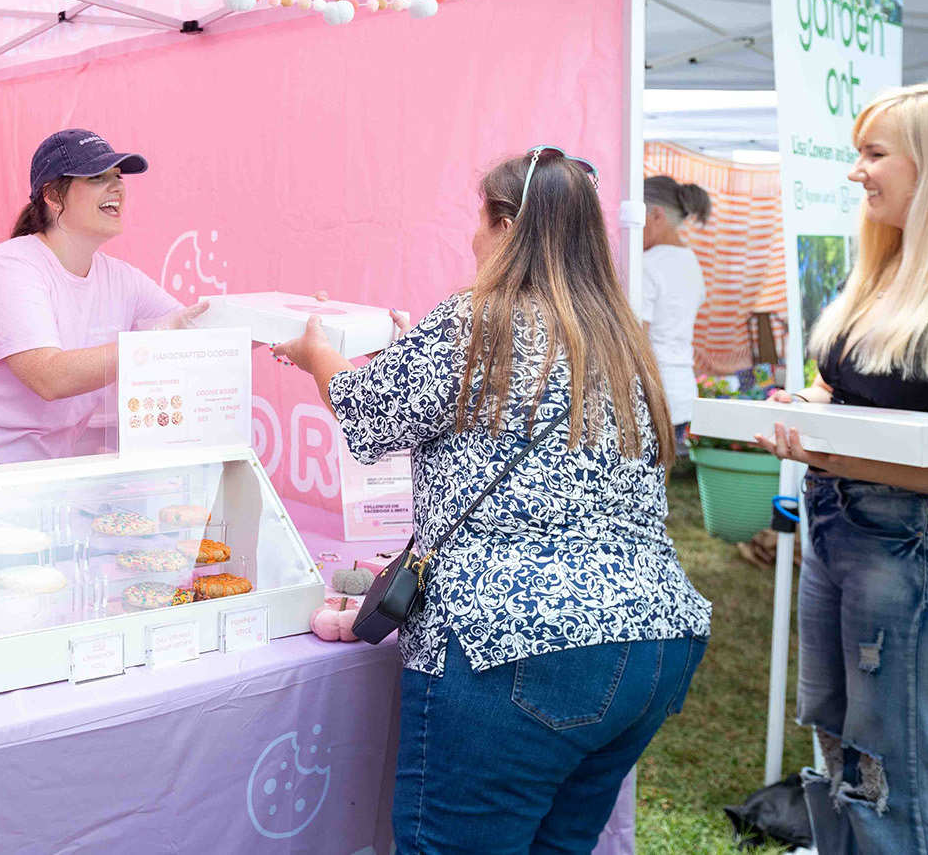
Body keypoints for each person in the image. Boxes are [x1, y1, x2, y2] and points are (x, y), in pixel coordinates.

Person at [274, 147, 710, 854]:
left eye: (479, 222)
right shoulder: (619, 335)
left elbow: (365, 410)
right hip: (653, 644)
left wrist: (315, 350)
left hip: (515, 649)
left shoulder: (481, 319)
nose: (473, 240)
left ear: (506, 225)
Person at [754, 82, 928, 855]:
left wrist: (833, 450)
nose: (857, 172)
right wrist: (807, 401)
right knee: (836, 736)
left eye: (874, 153)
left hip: (905, 543)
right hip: (834, 524)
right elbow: (843, 385)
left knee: (887, 758)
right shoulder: (882, 271)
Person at [0, 128, 205, 473]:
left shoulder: (123, 279)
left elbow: (197, 326)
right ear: (53, 196)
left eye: (117, 176)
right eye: (97, 177)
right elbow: (49, 377)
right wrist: (150, 345)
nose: (117, 188)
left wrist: (265, 332)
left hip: (22, 476)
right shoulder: (10, 266)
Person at [638, 174, 711, 452]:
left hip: (652, 392)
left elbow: (638, 339)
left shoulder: (647, 265)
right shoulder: (691, 261)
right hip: (682, 390)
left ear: (656, 215)